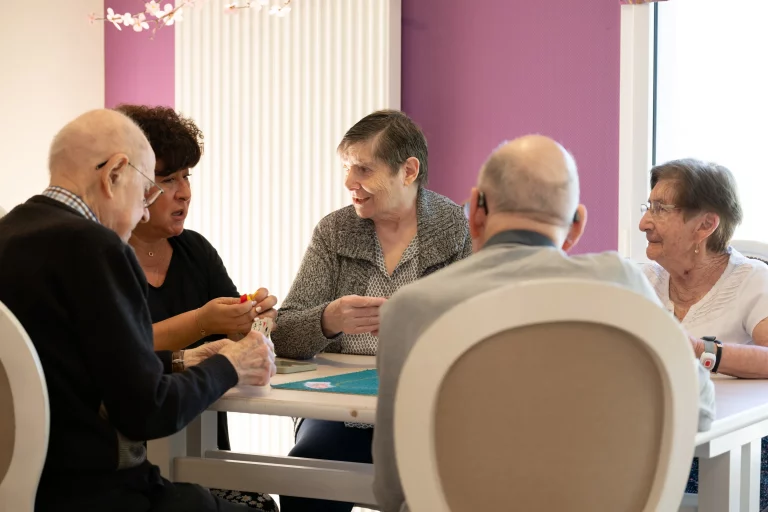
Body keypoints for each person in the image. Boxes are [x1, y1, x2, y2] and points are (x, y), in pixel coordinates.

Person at [372, 135, 716, 512]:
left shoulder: (409, 308)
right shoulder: (622, 283)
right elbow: (698, 410)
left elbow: (393, 485)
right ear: (576, 225)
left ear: (474, 212)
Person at [0, 109, 276, 512]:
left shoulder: (10, 234)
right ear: (113, 174)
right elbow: (147, 414)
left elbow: (72, 369)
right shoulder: (97, 248)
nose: (145, 210)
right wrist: (230, 365)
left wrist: (181, 361)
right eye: (148, 189)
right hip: (103, 494)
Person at [272, 110, 472, 512]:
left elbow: (472, 334)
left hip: (424, 408)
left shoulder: (453, 227)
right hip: (338, 409)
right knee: (305, 479)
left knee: (444, 484)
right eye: (347, 169)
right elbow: (284, 334)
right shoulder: (335, 230)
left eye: (363, 169)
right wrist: (328, 320)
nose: (349, 184)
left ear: (409, 171)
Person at [116, 104, 279, 510]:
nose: (184, 191)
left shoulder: (195, 250)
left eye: (187, 176)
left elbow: (235, 330)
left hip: (202, 454)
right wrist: (203, 322)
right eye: (167, 178)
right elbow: (123, 350)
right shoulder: (105, 256)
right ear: (127, 182)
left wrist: (254, 316)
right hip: (131, 464)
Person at [638, 158, 768, 507]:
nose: (643, 223)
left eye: (661, 209)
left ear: (707, 224)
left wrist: (697, 349)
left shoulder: (752, 279)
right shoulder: (642, 280)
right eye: (648, 207)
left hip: (730, 450)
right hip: (650, 441)